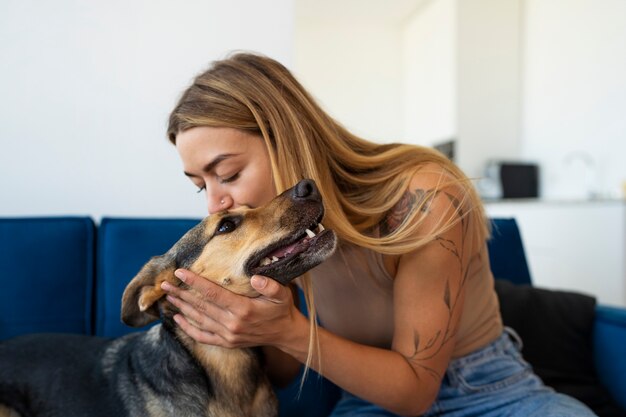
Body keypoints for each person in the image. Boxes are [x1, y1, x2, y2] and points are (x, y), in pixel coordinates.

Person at [159, 52, 596, 416]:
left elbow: (415, 391)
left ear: (285, 138)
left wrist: (287, 330)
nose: (215, 204)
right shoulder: (281, 236)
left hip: (492, 391)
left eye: (228, 174)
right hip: (367, 400)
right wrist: (250, 321)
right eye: (201, 185)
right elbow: (286, 375)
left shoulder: (423, 193)